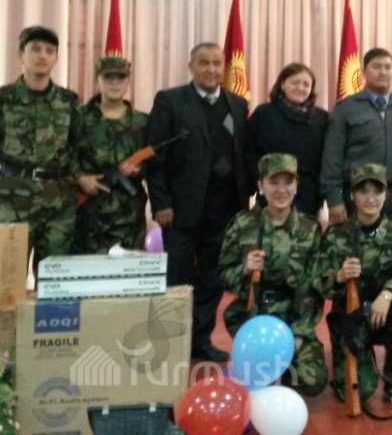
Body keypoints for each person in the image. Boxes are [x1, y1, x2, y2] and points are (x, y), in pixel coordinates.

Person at [147, 42, 253, 362]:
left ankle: (200, 340)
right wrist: (161, 203)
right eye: (204, 63)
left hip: (225, 211)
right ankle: (170, 344)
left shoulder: (237, 104)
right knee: (177, 279)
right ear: (190, 67)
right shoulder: (170, 101)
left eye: (217, 63)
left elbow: (242, 155)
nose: (211, 69)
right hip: (180, 211)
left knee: (212, 280)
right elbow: (156, 157)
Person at [0, 25, 81, 267]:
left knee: (54, 277)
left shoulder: (68, 102)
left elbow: (78, 146)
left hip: (58, 202)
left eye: (49, 51)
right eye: (35, 49)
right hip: (12, 200)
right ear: (21, 55)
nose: (43, 56)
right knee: (8, 274)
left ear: (56, 58)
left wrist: (72, 183)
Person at [219, 153, 327, 396]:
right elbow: (224, 276)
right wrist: (244, 268)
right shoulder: (242, 224)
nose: (281, 190)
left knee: (312, 381)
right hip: (254, 317)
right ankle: (266, 369)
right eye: (273, 182)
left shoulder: (309, 229)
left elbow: (314, 288)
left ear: (296, 185)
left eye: (288, 182)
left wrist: (299, 334)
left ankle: (285, 369)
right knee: (252, 382)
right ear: (260, 185)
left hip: (293, 315)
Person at [314, 163, 392, 406]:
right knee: (358, 392)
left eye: (377, 191)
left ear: (386, 194)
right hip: (350, 318)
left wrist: (388, 293)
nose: (371, 198)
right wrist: (339, 276)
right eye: (363, 191)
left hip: (386, 315)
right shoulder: (336, 235)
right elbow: (319, 282)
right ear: (352, 195)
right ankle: (357, 363)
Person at [322, 47, 392, 227]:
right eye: (377, 67)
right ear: (364, 72)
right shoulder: (346, 109)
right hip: (359, 196)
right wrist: (334, 200)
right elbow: (332, 158)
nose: (383, 72)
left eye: (388, 67)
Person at [73, 56, 148, 253]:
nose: (114, 83)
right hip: (87, 215)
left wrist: (139, 170)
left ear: (128, 81)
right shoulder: (79, 119)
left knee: (128, 270)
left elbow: (157, 165)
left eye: (120, 77)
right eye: (108, 77)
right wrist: (79, 178)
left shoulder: (143, 122)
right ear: (97, 80)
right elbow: (63, 157)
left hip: (129, 219)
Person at [246, 63, 329, 216]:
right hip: (272, 191)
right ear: (282, 84)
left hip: (309, 195)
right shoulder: (264, 114)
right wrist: (260, 181)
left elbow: (327, 158)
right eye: (295, 82)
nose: (301, 88)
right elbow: (249, 151)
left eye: (306, 84)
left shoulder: (321, 118)